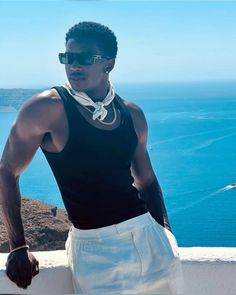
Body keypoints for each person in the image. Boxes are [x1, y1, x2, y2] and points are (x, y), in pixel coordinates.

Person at [0, 21, 183, 294]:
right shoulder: (47, 108)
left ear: (108, 64)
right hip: (93, 248)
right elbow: (6, 171)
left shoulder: (131, 115)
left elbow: (146, 182)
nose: (74, 65)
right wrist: (18, 245)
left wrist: (164, 233)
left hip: (150, 241)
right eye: (67, 58)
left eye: (85, 58)